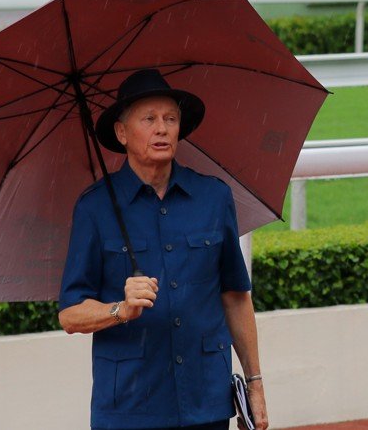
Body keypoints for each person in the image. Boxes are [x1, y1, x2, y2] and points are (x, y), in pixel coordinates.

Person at [58, 69, 268, 430]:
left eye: (171, 119)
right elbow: (70, 314)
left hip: (207, 401)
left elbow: (234, 295)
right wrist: (120, 309)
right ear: (122, 133)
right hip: (130, 407)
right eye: (149, 119)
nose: (162, 128)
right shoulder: (94, 209)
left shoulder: (213, 198)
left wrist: (255, 382)